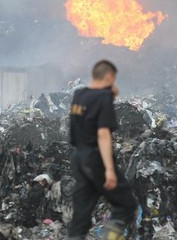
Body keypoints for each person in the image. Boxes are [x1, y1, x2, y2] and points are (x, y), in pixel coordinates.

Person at [67, 60, 137, 240]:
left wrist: (108, 94)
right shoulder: (103, 98)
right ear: (108, 77)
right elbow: (103, 134)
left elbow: (89, 109)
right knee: (126, 204)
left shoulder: (79, 95)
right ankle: (110, 236)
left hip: (78, 158)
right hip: (95, 156)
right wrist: (110, 169)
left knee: (81, 214)